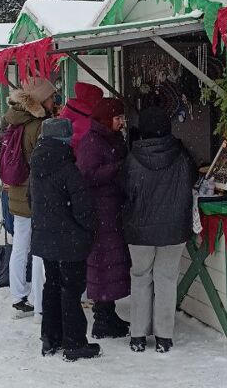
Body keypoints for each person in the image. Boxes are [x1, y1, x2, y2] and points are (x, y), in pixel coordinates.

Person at [122, 106, 196, 354]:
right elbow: (191, 181)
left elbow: (126, 192)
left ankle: (138, 336)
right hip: (173, 230)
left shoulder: (132, 158)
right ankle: (164, 337)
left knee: (140, 278)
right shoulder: (182, 155)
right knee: (166, 280)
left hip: (139, 230)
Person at [30, 118, 101, 361]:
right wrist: (90, 228)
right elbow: (82, 209)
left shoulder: (37, 165)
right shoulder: (68, 168)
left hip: (46, 237)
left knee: (51, 285)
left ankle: (50, 337)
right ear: (65, 139)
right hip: (69, 239)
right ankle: (74, 342)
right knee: (71, 290)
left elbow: (32, 201)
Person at [76, 98, 131, 339]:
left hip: (112, 209)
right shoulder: (91, 142)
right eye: (118, 118)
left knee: (112, 263)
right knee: (102, 264)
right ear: (106, 119)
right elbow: (87, 175)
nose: (121, 122)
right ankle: (102, 316)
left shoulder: (112, 138)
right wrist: (118, 167)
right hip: (100, 212)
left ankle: (108, 311)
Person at [4, 76, 55, 318]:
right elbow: (43, 164)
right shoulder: (40, 125)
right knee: (40, 250)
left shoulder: (14, 120)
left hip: (16, 190)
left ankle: (18, 297)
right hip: (35, 193)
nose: (54, 101)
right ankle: (39, 302)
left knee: (20, 246)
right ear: (41, 100)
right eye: (51, 97)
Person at [59, 82, 103, 150]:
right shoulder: (86, 116)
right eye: (98, 100)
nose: (99, 103)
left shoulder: (70, 110)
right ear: (91, 99)